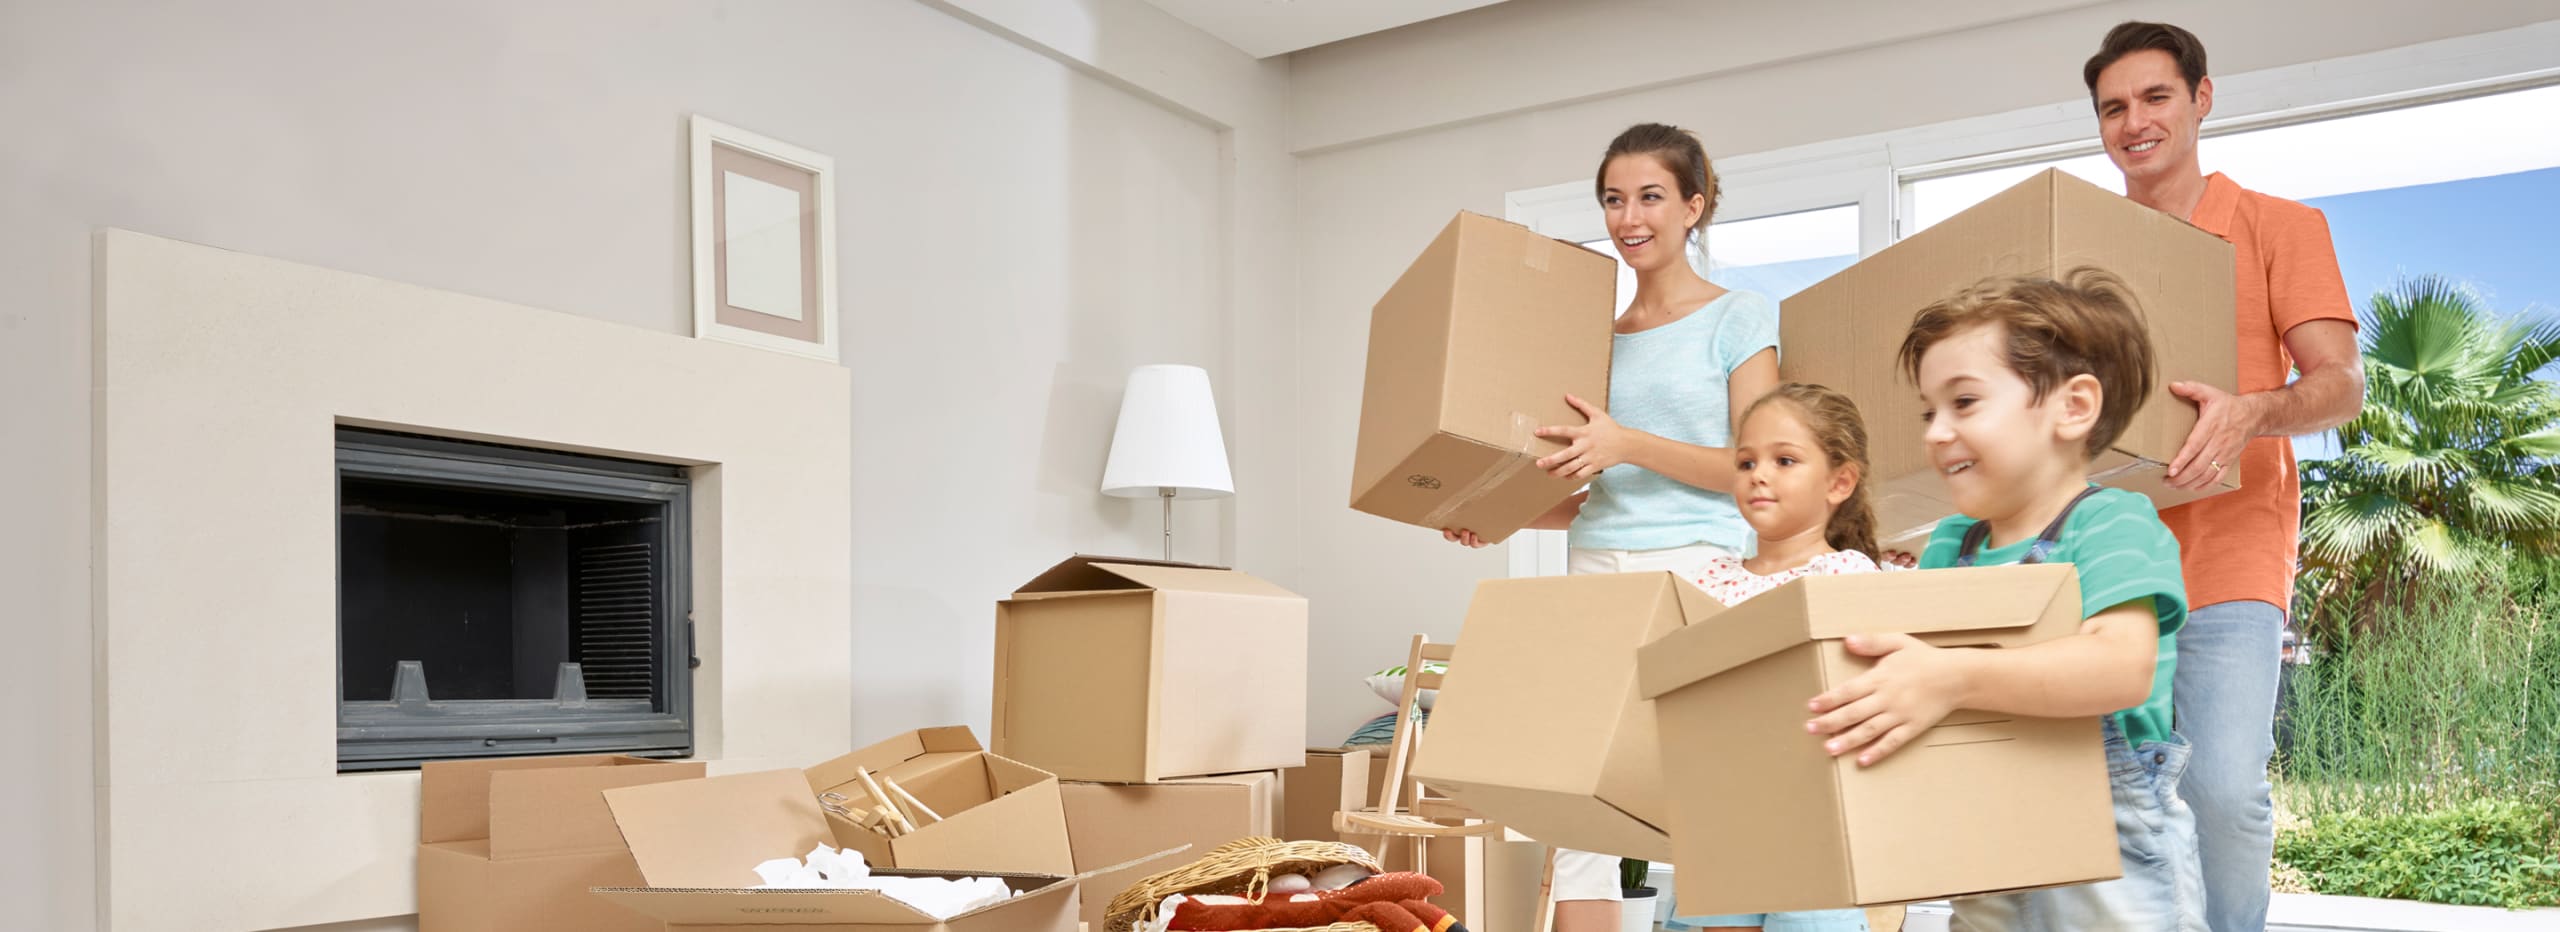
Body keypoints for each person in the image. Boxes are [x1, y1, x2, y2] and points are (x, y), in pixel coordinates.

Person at [1444, 121, 1779, 932]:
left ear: (1693, 206)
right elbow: (1588, 485)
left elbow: (1755, 466)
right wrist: (1499, 516)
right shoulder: (1593, 338)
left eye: (1651, 196)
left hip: (1703, 567)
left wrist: (1625, 441)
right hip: (1597, 566)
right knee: (1578, 798)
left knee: (1706, 789)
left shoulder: (1738, 317)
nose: (1630, 216)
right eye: (1614, 198)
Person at [1809, 270, 2205, 930]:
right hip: (1984, 839)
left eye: (1963, 403)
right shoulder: (1950, 544)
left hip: (2111, 853)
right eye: (1928, 412)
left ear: (2072, 407)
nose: (1935, 432)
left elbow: (2120, 668)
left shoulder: (2111, 523)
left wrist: (1955, 676)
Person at [2083, 23, 2366, 931]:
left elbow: (2341, 387)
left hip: (2231, 548)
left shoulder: (2279, 226)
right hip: (2102, 557)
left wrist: (2253, 410)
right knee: (2112, 799)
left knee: (2220, 789)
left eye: (2155, 97)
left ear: (2202, 98)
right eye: (2114, 107)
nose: (2135, 122)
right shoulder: (2081, 257)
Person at [1666, 383, 1882, 932]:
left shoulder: (1848, 576)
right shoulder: (1704, 580)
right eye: (1746, 461)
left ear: (1840, 482)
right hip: (1719, 821)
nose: (1758, 474)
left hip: (1817, 830)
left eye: (1784, 460)